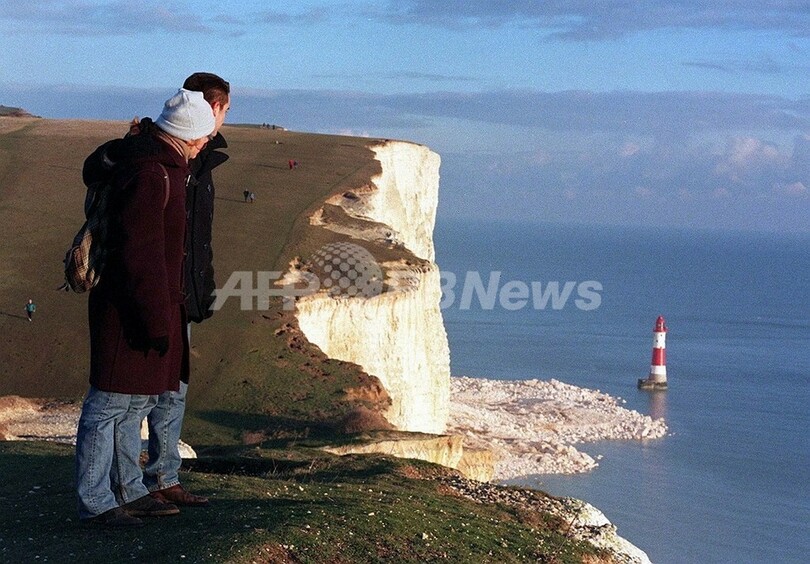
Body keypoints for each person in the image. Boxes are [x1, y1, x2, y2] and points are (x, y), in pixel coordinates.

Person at [75, 88, 216, 527]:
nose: (201, 148)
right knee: (108, 407)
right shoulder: (154, 174)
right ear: (184, 136)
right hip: (129, 309)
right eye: (199, 141)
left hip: (146, 305)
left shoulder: (162, 167)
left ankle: (129, 490)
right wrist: (156, 319)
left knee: (133, 404)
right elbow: (141, 254)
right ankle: (97, 501)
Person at [144, 73, 230, 508]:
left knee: (174, 388)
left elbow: (198, 234)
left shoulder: (204, 158)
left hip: (186, 287)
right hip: (164, 287)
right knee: (144, 391)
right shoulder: (171, 160)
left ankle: (163, 476)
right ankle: (138, 482)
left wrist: (202, 289)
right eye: (226, 109)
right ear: (214, 107)